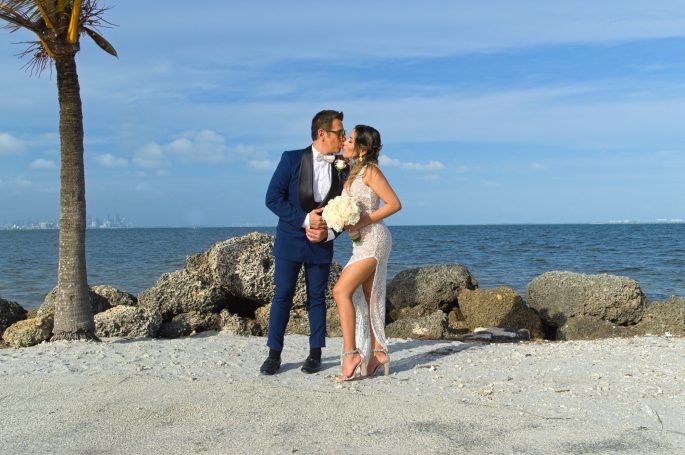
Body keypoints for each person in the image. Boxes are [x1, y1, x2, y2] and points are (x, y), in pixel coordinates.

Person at [260, 110, 347, 375]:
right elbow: (272, 199)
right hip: (290, 239)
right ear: (323, 134)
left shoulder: (344, 166)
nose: (343, 138)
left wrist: (328, 233)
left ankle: (315, 354)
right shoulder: (291, 159)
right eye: (339, 133)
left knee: (317, 298)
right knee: (282, 295)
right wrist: (305, 220)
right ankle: (274, 354)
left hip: (322, 242)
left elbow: (346, 210)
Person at [332, 125, 401, 381]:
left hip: (375, 239)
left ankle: (351, 353)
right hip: (360, 242)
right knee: (369, 296)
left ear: (363, 148)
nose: (344, 143)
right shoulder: (352, 171)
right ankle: (377, 353)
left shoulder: (371, 171)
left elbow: (394, 204)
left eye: (349, 140)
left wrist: (362, 221)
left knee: (340, 291)